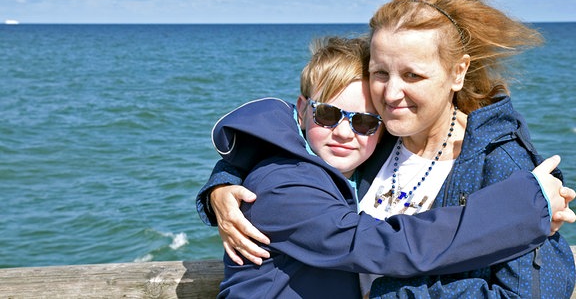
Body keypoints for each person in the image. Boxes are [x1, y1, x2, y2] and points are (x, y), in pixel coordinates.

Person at [203, 35, 572, 298]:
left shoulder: (360, 157)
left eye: (364, 121)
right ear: (302, 109)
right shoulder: (283, 185)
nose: (345, 132)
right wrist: (523, 206)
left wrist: (222, 179)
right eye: (329, 114)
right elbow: (386, 245)